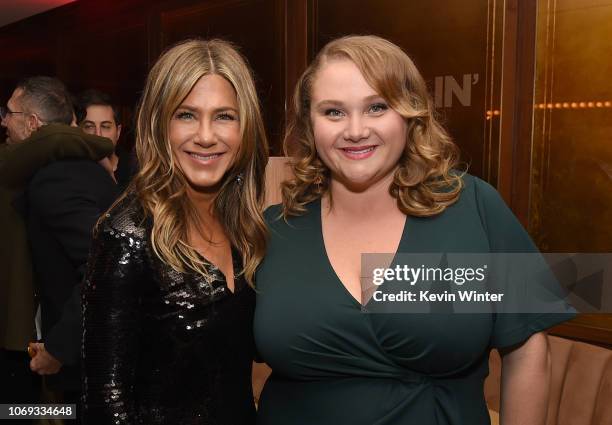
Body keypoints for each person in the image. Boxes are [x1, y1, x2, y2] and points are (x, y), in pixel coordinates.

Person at [254, 35, 575, 425]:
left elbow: (527, 348)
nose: (355, 130)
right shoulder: (273, 229)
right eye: (333, 112)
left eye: (376, 107)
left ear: (409, 113)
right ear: (310, 123)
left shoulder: (473, 207)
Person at [82, 38, 269, 425]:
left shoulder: (245, 226)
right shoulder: (127, 235)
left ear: (245, 125)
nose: (205, 135)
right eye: (186, 114)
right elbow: (106, 405)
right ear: (159, 123)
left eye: (224, 116)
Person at [0, 76, 118, 417]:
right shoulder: (82, 164)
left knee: (17, 413)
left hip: (84, 356)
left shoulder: (56, 177)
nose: (4, 121)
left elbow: (103, 267)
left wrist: (58, 348)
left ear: (32, 123)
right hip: (78, 351)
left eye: (9, 113)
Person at [75, 89, 136, 189]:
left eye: (105, 126)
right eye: (89, 126)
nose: (98, 134)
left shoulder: (136, 172)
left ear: (118, 132)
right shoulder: (70, 172)